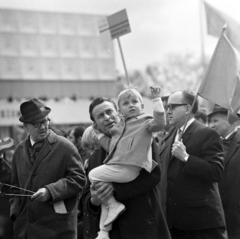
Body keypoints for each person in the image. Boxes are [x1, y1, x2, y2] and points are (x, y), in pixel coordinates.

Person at [80, 96, 171, 239]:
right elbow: (85, 197)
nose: (107, 117)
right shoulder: (94, 159)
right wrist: (94, 200)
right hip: (113, 232)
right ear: (96, 125)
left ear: (119, 113)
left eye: (110, 112)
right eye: (100, 116)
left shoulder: (142, 136)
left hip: (142, 225)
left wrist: (115, 190)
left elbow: (154, 176)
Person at [9, 98, 86, 239]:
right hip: (25, 231)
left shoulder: (66, 147)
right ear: (26, 126)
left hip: (58, 230)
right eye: (37, 124)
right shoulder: (19, 152)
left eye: (45, 121)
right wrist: (16, 214)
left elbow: (79, 179)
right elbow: (15, 188)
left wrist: (50, 191)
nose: (43, 127)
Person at [159, 90, 227, 239]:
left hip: (200, 223)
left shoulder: (207, 133)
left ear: (188, 109)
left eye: (172, 107)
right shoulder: (170, 134)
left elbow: (216, 172)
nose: (167, 111)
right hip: (174, 222)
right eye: (166, 107)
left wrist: (186, 158)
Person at [208, 104, 240, 239]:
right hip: (218, 214)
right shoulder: (213, 144)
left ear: (229, 120)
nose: (211, 125)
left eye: (215, 121)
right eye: (210, 121)